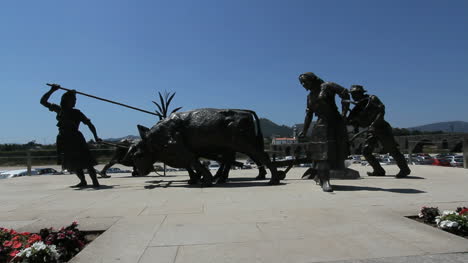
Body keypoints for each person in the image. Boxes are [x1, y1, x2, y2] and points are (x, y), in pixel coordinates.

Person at [40, 84, 102, 187]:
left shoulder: (77, 112)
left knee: (86, 161)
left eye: (75, 100)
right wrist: (52, 90)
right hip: (64, 138)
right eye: (73, 99)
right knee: (71, 161)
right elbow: (43, 102)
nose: (75, 102)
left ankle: (95, 181)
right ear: (66, 100)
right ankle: (83, 181)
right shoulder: (59, 110)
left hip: (76, 138)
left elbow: (90, 124)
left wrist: (96, 137)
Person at [298, 72, 350, 192]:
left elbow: (345, 94)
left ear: (313, 79)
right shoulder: (310, 96)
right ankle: (324, 179)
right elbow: (309, 114)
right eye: (301, 83)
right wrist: (304, 131)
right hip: (320, 125)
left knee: (332, 153)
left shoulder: (328, 86)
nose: (303, 85)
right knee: (321, 154)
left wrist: (344, 114)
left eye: (305, 81)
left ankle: (323, 178)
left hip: (334, 123)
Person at [347, 85, 410, 178]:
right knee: (366, 151)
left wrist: (374, 123)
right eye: (352, 94)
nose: (353, 96)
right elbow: (357, 120)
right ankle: (378, 170)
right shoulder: (359, 106)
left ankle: (405, 169)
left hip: (382, 128)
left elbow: (381, 111)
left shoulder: (372, 98)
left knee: (392, 150)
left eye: (354, 94)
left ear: (360, 93)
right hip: (371, 130)